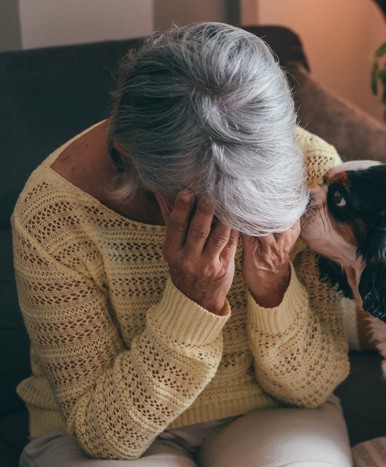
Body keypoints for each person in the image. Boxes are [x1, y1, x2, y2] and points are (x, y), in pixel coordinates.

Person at [12, 22, 352, 466]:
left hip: (270, 413)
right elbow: (103, 436)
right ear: (131, 156)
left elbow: (314, 387)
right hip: (103, 433)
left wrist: (274, 288)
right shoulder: (52, 214)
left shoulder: (313, 175)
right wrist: (193, 304)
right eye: (210, 205)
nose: (233, 224)